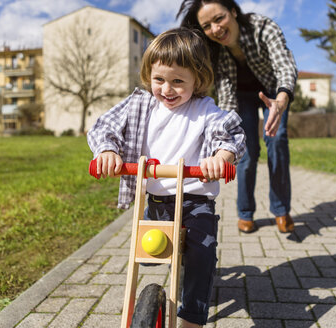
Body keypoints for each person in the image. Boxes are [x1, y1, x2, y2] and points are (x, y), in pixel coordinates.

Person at [87, 27, 246, 328]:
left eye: (177, 81)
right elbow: (103, 126)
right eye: (159, 79)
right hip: (158, 200)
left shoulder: (204, 110)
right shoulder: (140, 104)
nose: (167, 89)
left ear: (197, 80)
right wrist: (107, 151)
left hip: (195, 201)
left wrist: (221, 157)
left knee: (201, 254)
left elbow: (230, 132)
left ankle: (192, 318)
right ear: (149, 75)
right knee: (149, 253)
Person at [177, 0, 298, 234]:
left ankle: (281, 210)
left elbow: (284, 63)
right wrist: (224, 138)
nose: (215, 28)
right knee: (246, 152)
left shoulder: (262, 27)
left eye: (219, 18)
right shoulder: (215, 52)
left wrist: (282, 98)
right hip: (242, 97)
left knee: (278, 140)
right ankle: (245, 212)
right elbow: (227, 97)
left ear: (233, 12)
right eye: (207, 25)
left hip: (274, 92)